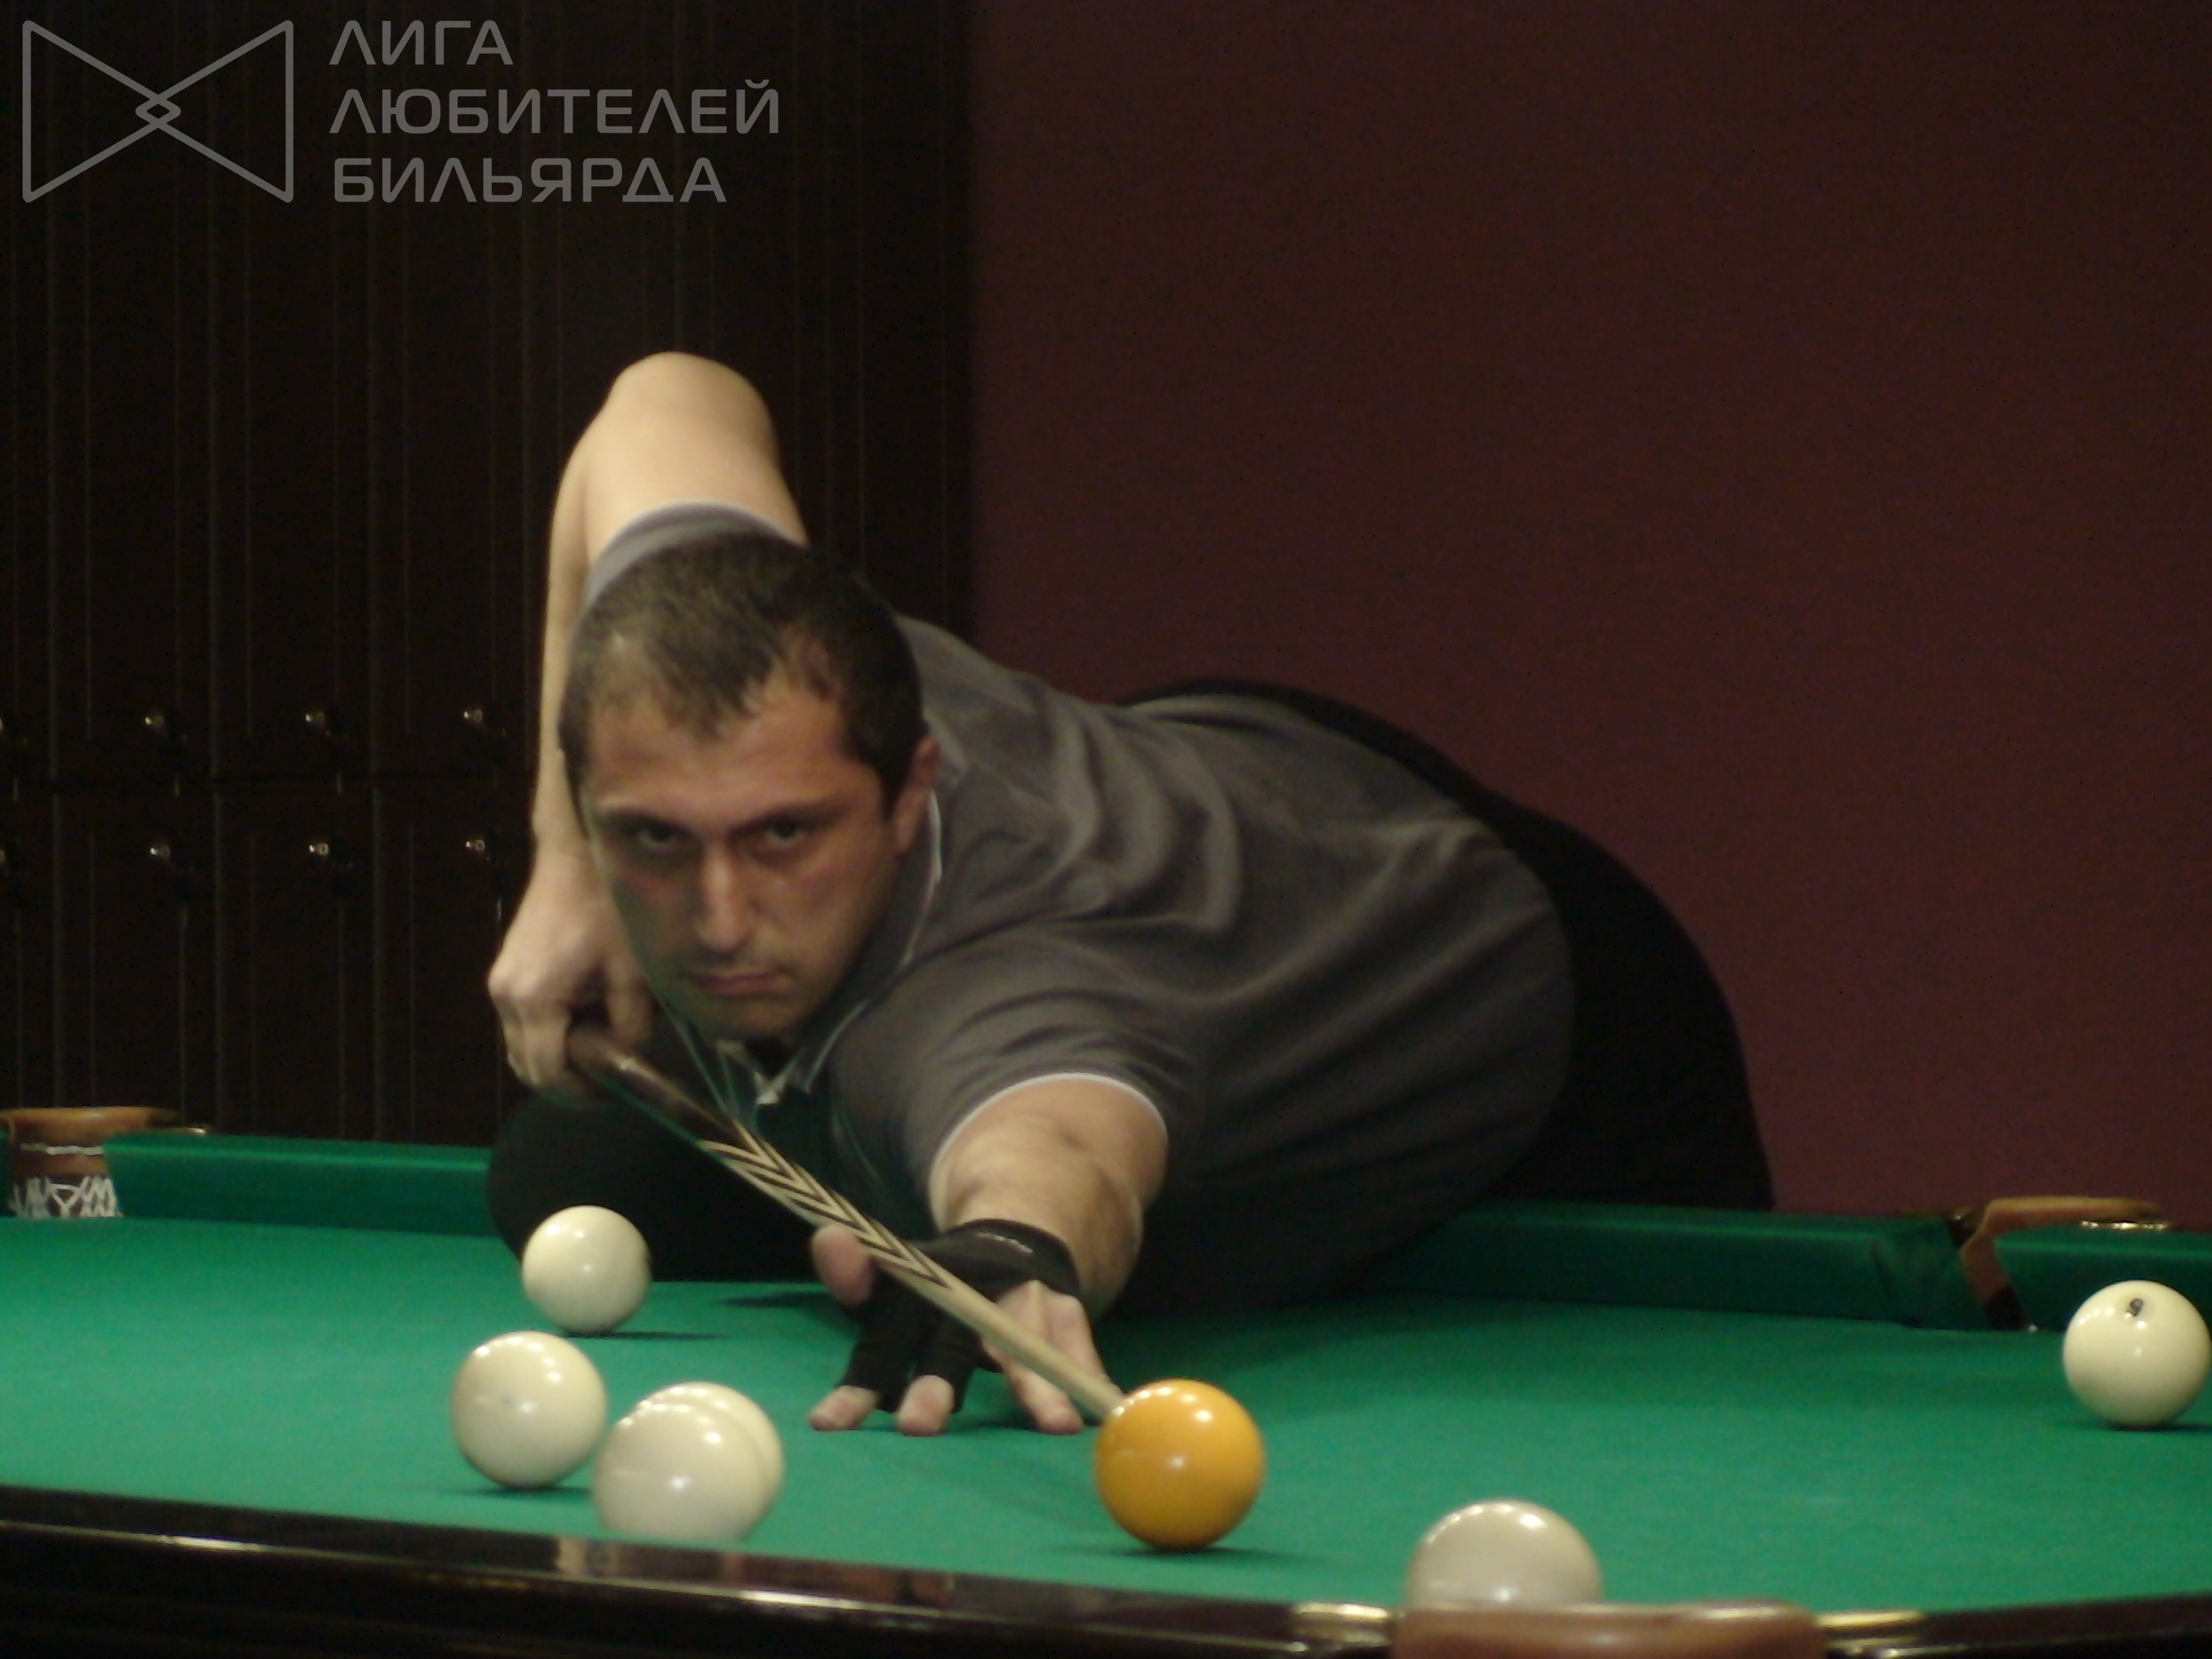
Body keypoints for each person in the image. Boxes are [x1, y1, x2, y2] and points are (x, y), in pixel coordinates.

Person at [485, 352, 1771, 1438]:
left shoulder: (999, 1005)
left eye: (784, 835)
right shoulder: (733, 642)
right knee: (556, 1170)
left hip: (1518, 989)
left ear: (907, 787)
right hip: (1208, 779)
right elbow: (665, 397)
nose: (717, 918)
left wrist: (1015, 1249)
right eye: (655, 838)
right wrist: (564, 866)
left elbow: (1058, 1150)